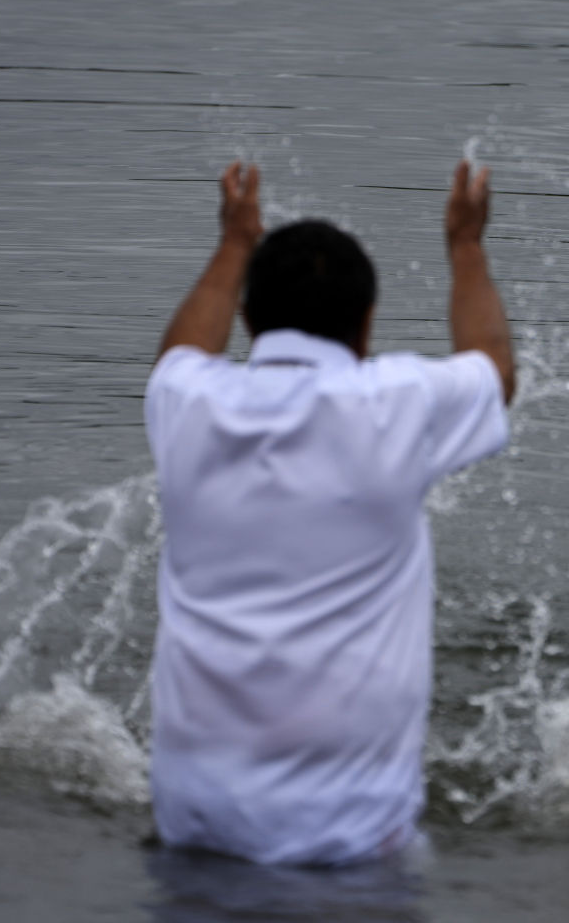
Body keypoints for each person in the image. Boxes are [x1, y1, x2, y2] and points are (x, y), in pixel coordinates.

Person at [143, 158, 515, 866]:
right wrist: (466, 246)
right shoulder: (393, 404)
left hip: (191, 836)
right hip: (351, 850)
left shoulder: (186, 403)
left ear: (249, 319)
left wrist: (233, 243)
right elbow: (495, 372)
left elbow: (181, 353)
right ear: (367, 324)